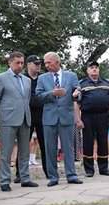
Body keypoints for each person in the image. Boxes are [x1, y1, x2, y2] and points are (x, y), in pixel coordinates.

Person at [0, 51, 38, 191]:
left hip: (25, 119)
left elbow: (26, 99)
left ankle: (25, 178)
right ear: (9, 62)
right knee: (6, 152)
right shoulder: (1, 78)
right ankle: (4, 181)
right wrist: (0, 117)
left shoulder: (27, 80)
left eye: (22, 63)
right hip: (8, 120)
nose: (20, 65)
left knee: (24, 151)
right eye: (17, 62)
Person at [35, 52, 83, 186]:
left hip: (66, 116)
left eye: (48, 62)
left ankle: (71, 175)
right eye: (45, 63)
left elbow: (78, 93)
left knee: (68, 147)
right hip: (49, 117)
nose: (46, 65)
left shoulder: (71, 76)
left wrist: (76, 94)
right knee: (50, 148)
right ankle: (53, 177)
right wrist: (52, 93)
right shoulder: (42, 78)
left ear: (57, 62)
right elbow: (38, 96)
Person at [75, 61, 109, 177]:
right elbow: (76, 104)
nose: (94, 69)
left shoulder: (106, 83)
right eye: (91, 68)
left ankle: (103, 168)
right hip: (87, 117)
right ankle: (89, 169)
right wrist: (78, 119)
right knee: (88, 142)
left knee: (103, 142)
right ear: (87, 70)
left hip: (103, 116)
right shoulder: (81, 84)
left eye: (96, 68)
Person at [15, 55, 48, 182]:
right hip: (26, 114)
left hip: (42, 114)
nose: (38, 65)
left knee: (45, 145)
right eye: (35, 63)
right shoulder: (22, 79)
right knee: (24, 145)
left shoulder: (43, 78)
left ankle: (49, 172)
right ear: (28, 64)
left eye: (39, 63)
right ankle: (20, 173)